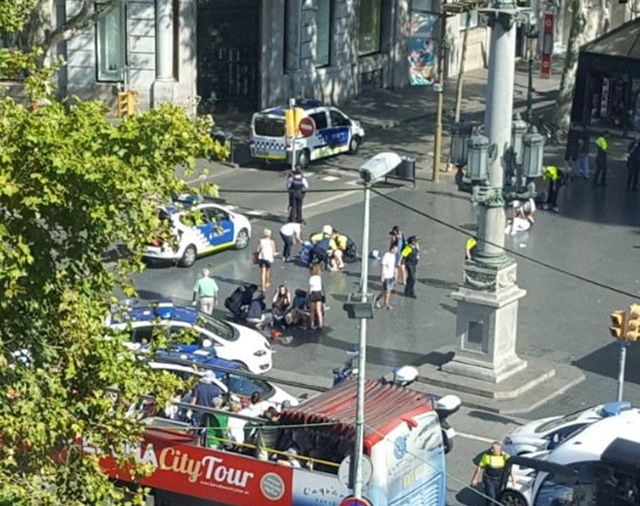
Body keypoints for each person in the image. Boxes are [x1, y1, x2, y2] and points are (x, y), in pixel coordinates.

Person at [375, 244, 397, 310]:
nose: (396, 251)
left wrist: (394, 273)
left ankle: (382, 301)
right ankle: (385, 303)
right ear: (392, 249)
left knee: (388, 290)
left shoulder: (393, 256)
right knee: (386, 290)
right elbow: (383, 265)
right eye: (395, 249)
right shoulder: (386, 255)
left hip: (391, 276)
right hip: (386, 276)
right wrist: (382, 275)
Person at [308, 263, 324, 330]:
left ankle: (312, 324)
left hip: (313, 294)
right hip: (319, 293)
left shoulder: (312, 278)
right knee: (319, 310)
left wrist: (308, 295)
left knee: (312, 311)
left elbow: (310, 288)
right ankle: (320, 324)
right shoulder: (319, 278)